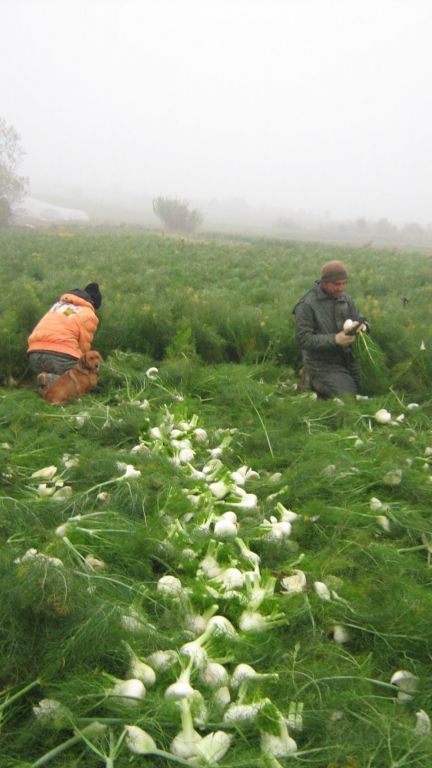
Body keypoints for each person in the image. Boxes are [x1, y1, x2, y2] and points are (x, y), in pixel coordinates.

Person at [293, 260, 368, 397]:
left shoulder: (344, 299)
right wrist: (335, 339)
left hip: (347, 358)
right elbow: (302, 339)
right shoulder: (307, 305)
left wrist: (363, 326)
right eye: (337, 284)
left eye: (344, 283)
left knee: (365, 388)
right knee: (348, 396)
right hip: (321, 364)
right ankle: (310, 377)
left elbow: (360, 318)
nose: (341, 288)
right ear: (324, 282)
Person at [27, 282, 102, 387]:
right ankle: (52, 380)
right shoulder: (88, 313)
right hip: (59, 357)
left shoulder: (59, 306)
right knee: (88, 382)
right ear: (93, 303)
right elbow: (84, 347)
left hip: (34, 355)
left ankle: (46, 382)